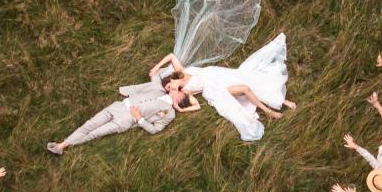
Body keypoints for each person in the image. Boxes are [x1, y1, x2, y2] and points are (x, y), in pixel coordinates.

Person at [149, 35, 294, 142]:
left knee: (247, 78)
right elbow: (197, 106)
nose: (170, 89)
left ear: (172, 79)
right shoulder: (185, 91)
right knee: (244, 89)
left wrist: (155, 68)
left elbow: (171, 56)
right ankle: (269, 111)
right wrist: (181, 109)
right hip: (214, 88)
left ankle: (282, 100)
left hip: (216, 74)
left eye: (168, 85)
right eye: (169, 90)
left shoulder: (182, 71)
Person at [46, 72, 197, 154]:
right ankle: (62, 144)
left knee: (95, 133)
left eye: (180, 92)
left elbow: (155, 130)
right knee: (89, 124)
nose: (177, 89)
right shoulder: (159, 88)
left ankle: (63, 146)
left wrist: (140, 120)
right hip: (118, 106)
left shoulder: (170, 113)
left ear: (178, 100)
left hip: (126, 120)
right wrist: (180, 79)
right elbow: (155, 74)